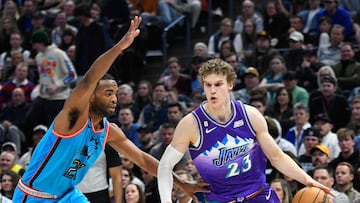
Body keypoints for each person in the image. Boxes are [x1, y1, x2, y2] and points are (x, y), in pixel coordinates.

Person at [13, 17, 206, 202]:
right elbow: (89, 78)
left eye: (115, 93)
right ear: (91, 96)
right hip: (34, 196)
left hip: (68, 196)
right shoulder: (73, 118)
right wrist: (119, 48)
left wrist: (181, 183)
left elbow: (142, 159)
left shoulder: (109, 131)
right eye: (107, 93)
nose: (114, 98)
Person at [157, 58, 333, 203]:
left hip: (260, 196)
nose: (212, 90)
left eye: (218, 84)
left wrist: (306, 179)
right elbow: (165, 165)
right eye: (207, 85)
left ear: (231, 84)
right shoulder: (191, 124)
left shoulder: (250, 115)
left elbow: (277, 157)